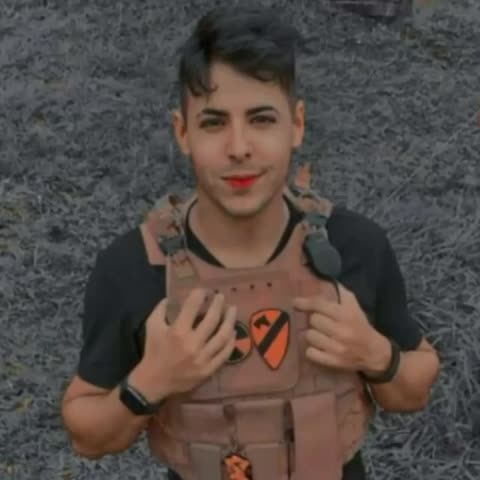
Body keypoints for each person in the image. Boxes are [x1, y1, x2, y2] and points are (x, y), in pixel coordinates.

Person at [60, 5, 440, 480]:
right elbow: (86, 435)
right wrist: (150, 381)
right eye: (214, 122)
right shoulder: (133, 269)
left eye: (261, 120)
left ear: (296, 125)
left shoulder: (355, 246)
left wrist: (375, 354)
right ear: (182, 132)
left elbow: (415, 389)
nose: (239, 148)